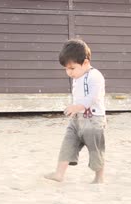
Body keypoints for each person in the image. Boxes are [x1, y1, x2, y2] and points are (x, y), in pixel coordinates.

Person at [45, 39, 107, 183]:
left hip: (94, 120)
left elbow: (93, 97)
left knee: (95, 149)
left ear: (85, 63)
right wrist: (75, 109)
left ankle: (99, 177)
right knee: (68, 144)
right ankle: (59, 174)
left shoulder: (95, 76)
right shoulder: (78, 76)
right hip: (76, 119)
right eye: (66, 69)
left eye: (72, 68)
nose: (69, 72)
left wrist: (77, 106)